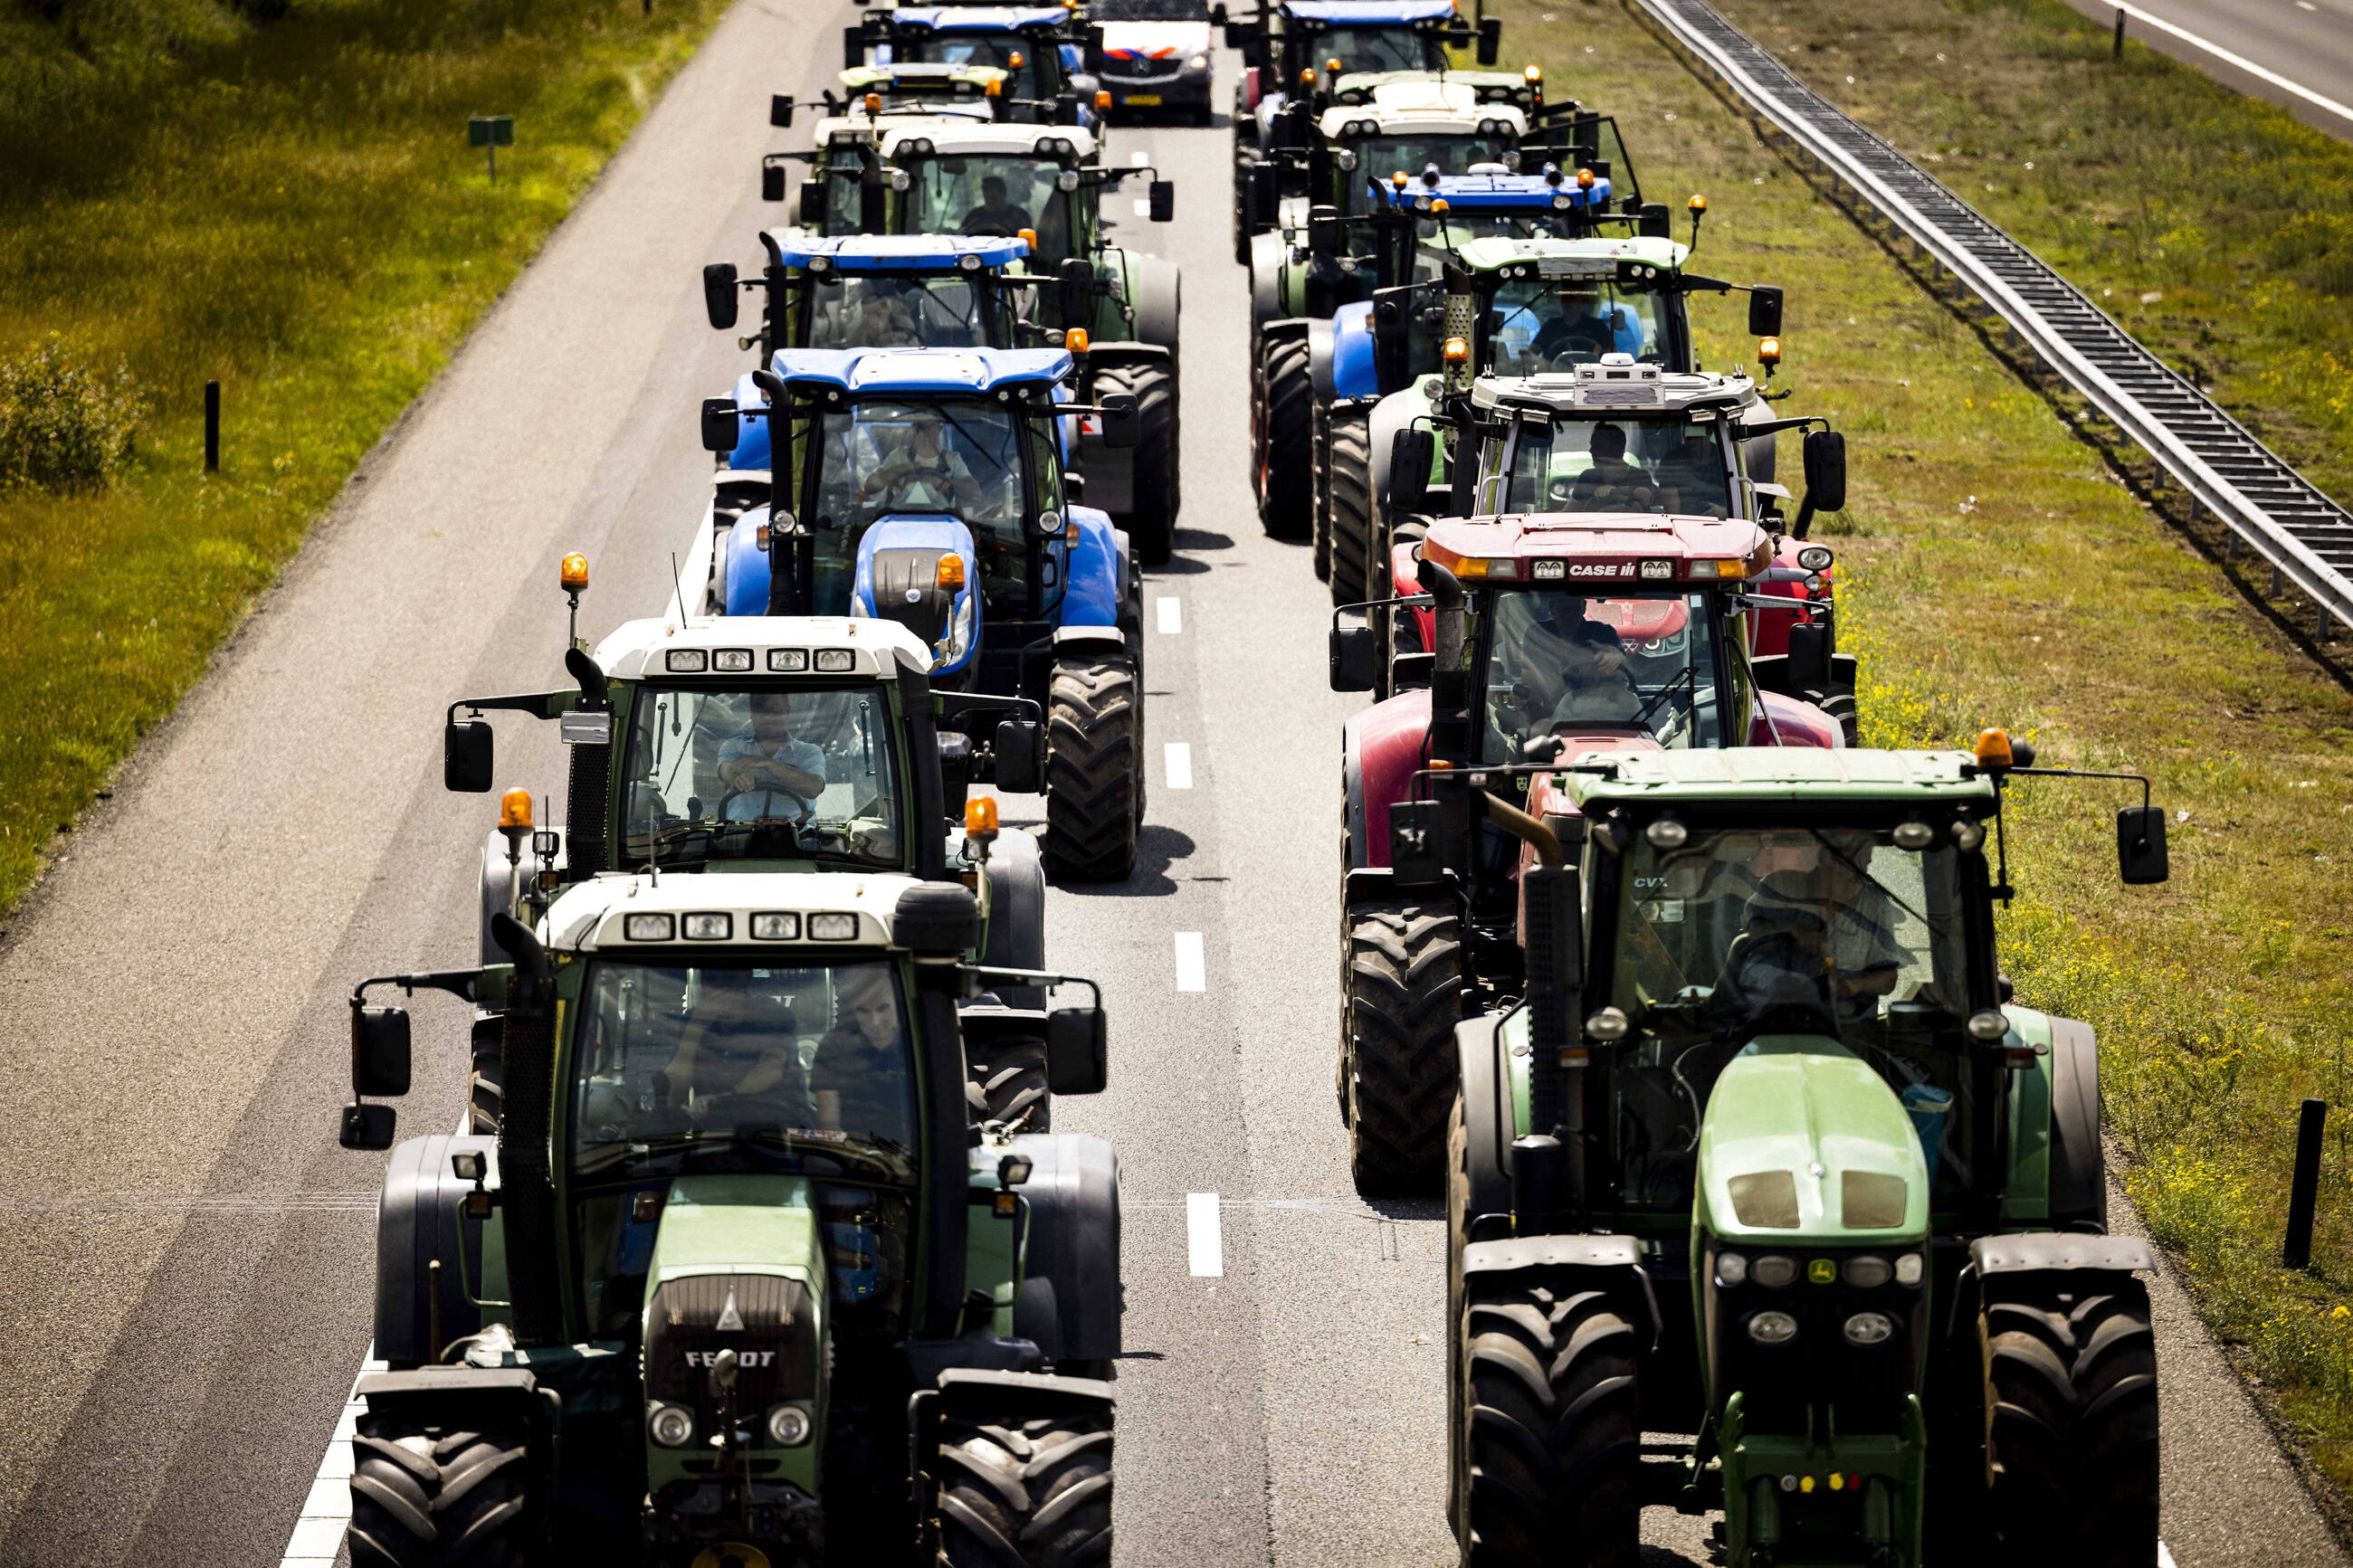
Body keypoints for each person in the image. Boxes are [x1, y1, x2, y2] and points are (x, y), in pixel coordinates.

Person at [660, 970, 813, 1128]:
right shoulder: (692, 1021)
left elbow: (771, 1069)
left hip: (774, 1130)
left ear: (746, 979)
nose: (720, 987)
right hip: (716, 1135)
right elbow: (673, 1097)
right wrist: (696, 1027)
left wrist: (720, 1099)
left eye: (729, 978)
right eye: (710, 979)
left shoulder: (772, 1016)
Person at [810, 966, 915, 1142]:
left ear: (898, 1003)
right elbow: (828, 1123)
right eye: (863, 1011)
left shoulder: (916, 1041)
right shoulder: (835, 1046)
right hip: (854, 1149)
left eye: (883, 1009)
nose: (874, 1021)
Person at [718, 692, 828, 822]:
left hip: (796, 837)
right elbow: (725, 769)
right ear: (751, 714)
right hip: (739, 835)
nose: (768, 717)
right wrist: (737, 779)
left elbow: (813, 788)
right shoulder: (734, 746)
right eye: (760, 710)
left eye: (775, 710)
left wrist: (767, 763)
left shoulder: (808, 752)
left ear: (787, 712)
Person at [856, 410, 986, 513]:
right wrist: (900, 469)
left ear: (939, 429)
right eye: (920, 427)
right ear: (913, 429)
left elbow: (974, 493)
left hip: (942, 521)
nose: (925, 433)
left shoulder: (952, 460)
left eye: (930, 427)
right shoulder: (898, 456)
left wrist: (944, 482)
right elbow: (870, 487)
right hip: (899, 519)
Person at [1563, 423, 1659, 509]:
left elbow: (1645, 500)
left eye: (1598, 446)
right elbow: (1569, 512)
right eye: (1592, 445)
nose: (1591, 451)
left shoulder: (1639, 477)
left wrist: (1614, 491)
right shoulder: (1587, 477)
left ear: (1616, 449)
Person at [959, 174, 1034, 237]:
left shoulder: (1020, 216)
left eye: (993, 198)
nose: (990, 201)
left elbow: (1029, 244)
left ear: (1003, 194)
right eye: (987, 196)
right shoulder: (974, 216)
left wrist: (1005, 233)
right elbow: (961, 236)